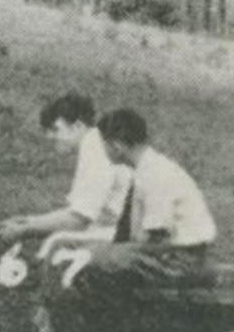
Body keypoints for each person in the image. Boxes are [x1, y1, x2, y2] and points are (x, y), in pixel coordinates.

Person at [39, 109, 216, 331]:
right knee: (82, 252)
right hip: (164, 255)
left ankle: (106, 324)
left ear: (116, 146)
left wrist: (107, 253)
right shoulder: (144, 169)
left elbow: (157, 240)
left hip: (180, 260)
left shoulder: (155, 174)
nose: (102, 152)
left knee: (93, 262)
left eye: (103, 145)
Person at [0, 93, 130, 256]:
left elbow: (77, 222)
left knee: (56, 244)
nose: (50, 136)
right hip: (120, 226)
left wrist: (26, 229)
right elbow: (77, 213)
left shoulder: (96, 151)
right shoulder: (93, 144)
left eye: (55, 129)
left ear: (78, 126)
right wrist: (27, 221)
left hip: (136, 234)